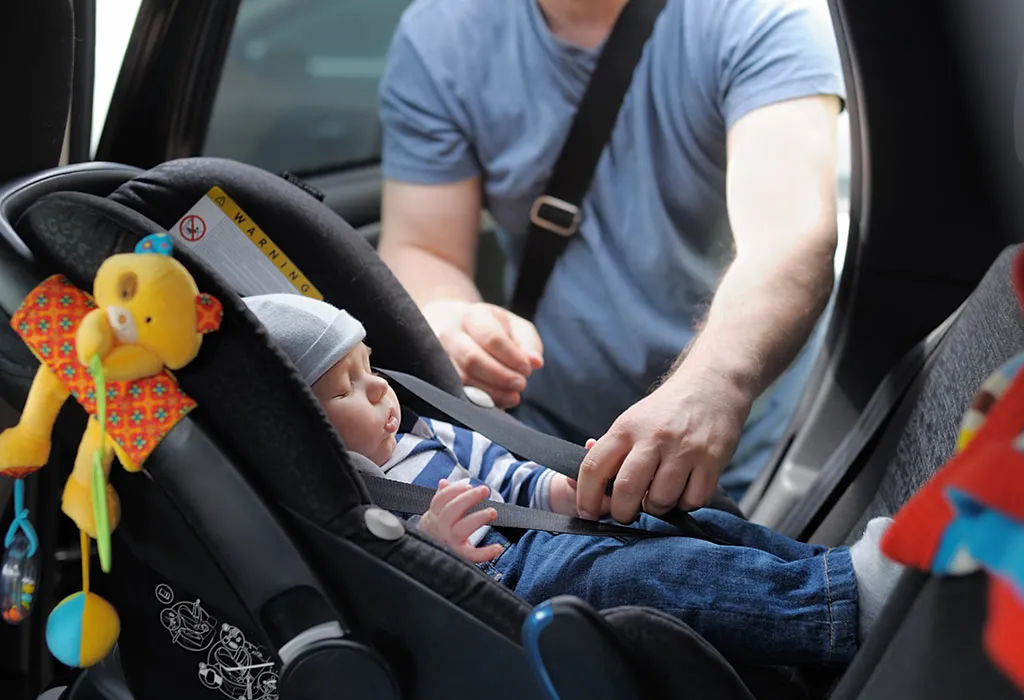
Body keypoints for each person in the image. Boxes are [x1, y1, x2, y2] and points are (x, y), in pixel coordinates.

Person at [242, 293, 903, 666]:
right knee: (642, 578)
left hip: (547, 531)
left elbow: (506, 475)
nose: (380, 390)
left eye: (369, 368)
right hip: (511, 580)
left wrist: (564, 490)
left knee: (692, 525)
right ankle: (835, 610)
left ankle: (832, 571)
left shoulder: (425, 433)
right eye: (348, 389)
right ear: (305, 427)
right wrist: (438, 544)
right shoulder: (352, 499)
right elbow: (399, 579)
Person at [374, 0, 846, 516]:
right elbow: (422, 247)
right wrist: (449, 316)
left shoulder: (757, 14)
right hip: (548, 443)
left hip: (745, 439)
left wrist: (715, 385)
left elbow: (790, 234)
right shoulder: (443, 33)